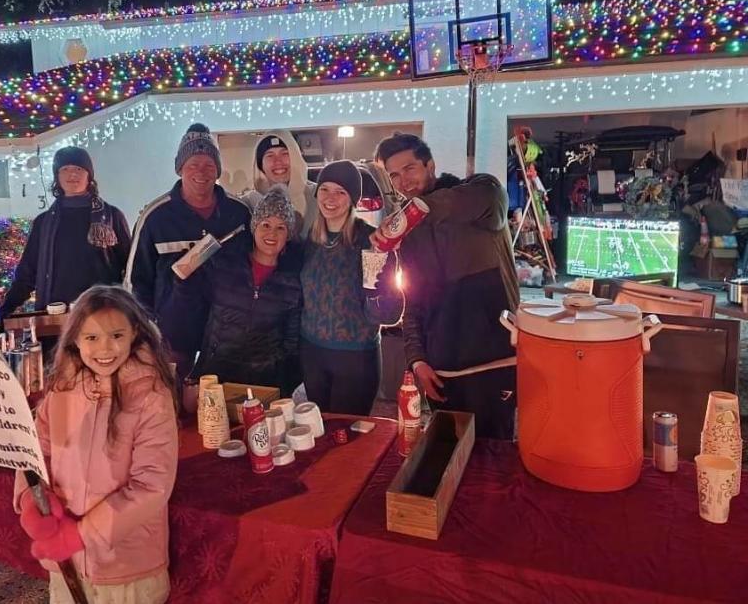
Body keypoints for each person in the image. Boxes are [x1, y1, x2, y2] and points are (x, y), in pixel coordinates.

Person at [13, 285, 178, 604]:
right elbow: (36, 455)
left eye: (117, 335)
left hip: (127, 569)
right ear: (74, 338)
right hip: (68, 568)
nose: (106, 348)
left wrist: (79, 535)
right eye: (92, 338)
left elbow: (151, 486)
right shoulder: (62, 389)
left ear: (134, 334)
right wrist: (30, 498)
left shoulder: (149, 397)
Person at [373, 132, 519, 439]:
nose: (403, 181)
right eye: (394, 175)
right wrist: (416, 360)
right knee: (446, 453)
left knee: (495, 460)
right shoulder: (410, 231)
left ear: (430, 165)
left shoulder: (481, 195)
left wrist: (407, 217)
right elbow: (413, 300)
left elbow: (466, 201)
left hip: (495, 361)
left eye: (410, 168)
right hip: (442, 370)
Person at [125, 123, 250, 378]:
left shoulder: (239, 213)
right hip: (173, 341)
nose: (201, 172)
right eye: (193, 164)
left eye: (209, 165)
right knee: (172, 406)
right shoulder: (155, 217)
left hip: (229, 339)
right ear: (179, 168)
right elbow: (135, 283)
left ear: (218, 170)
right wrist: (150, 332)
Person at [162, 185, 303, 394]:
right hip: (217, 374)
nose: (271, 233)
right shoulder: (224, 265)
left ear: (288, 234)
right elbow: (192, 307)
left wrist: (283, 382)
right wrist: (182, 281)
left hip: (263, 382)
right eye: (265, 224)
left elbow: (291, 342)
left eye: (281, 227)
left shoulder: (291, 281)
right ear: (254, 227)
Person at [299, 161, 403, 415]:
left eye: (341, 192)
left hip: (356, 358)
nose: (330, 198)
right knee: (318, 435)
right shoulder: (307, 243)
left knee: (348, 442)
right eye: (324, 189)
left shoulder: (371, 242)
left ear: (353, 199)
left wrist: (383, 283)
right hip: (312, 355)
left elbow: (388, 315)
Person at [0, 146, 131, 329]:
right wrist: (7, 308)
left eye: (78, 168)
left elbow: (132, 270)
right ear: (57, 176)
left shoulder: (112, 217)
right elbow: (27, 274)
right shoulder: (43, 223)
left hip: (103, 317)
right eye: (65, 169)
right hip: (54, 321)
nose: (72, 174)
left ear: (89, 175)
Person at [240, 130, 317, 239]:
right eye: (270, 155)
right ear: (260, 164)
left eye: (284, 153)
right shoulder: (246, 205)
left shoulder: (318, 197)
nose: (278, 161)